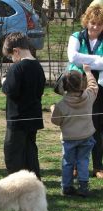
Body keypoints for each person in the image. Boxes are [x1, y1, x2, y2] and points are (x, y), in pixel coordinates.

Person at [2, 32, 45, 179]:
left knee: (12, 154)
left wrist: (4, 82)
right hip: (33, 117)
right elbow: (40, 91)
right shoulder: (38, 67)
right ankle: (34, 183)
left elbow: (9, 90)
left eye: (11, 57)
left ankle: (16, 185)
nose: (12, 60)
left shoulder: (17, 68)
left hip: (17, 119)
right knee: (30, 153)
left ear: (16, 51)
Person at [67, 4, 103, 179]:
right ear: (87, 21)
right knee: (77, 124)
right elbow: (72, 57)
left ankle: (97, 166)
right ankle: (74, 165)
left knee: (97, 126)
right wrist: (97, 59)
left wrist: (86, 61)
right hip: (76, 85)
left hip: (98, 88)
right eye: (93, 22)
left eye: (99, 24)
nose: (95, 27)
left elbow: (80, 58)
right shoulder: (76, 36)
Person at [51, 64, 98, 197]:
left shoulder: (61, 105)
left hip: (69, 139)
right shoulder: (89, 96)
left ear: (64, 86)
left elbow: (56, 121)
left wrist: (53, 109)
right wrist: (88, 72)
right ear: (82, 84)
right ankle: (83, 186)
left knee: (68, 162)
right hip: (86, 136)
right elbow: (94, 86)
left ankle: (66, 187)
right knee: (83, 160)